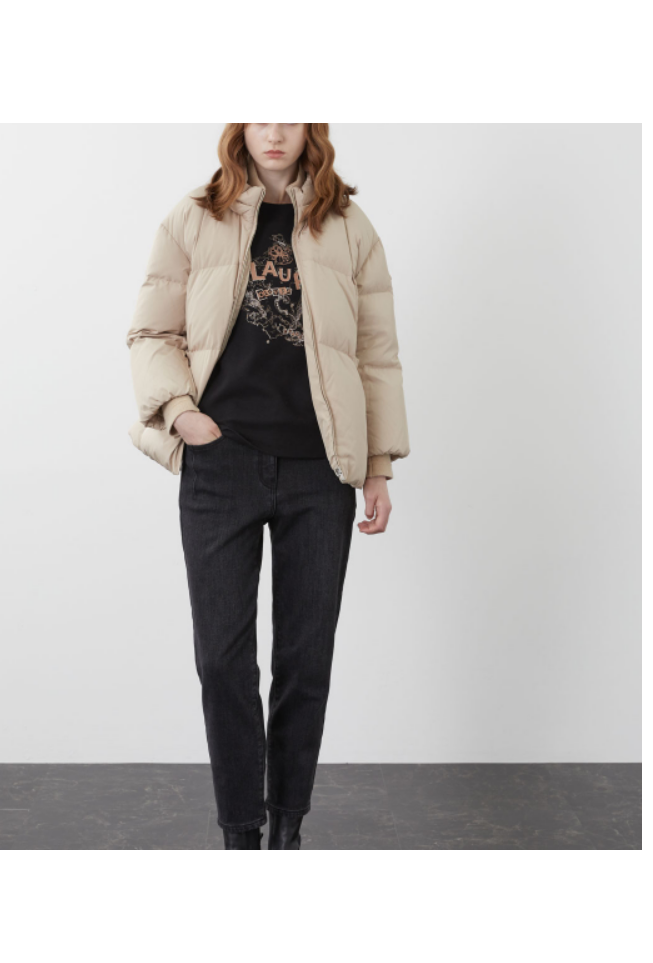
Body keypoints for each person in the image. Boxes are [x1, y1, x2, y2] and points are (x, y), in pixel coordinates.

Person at [127, 123, 410, 850]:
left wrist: (378, 464)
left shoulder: (349, 226)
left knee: (304, 660)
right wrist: (181, 413)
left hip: (321, 470)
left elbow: (377, 354)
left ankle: (288, 827)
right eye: (260, 119)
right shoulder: (194, 217)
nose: (275, 132)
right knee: (223, 662)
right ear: (241, 130)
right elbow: (151, 333)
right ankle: (241, 832)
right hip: (221, 464)